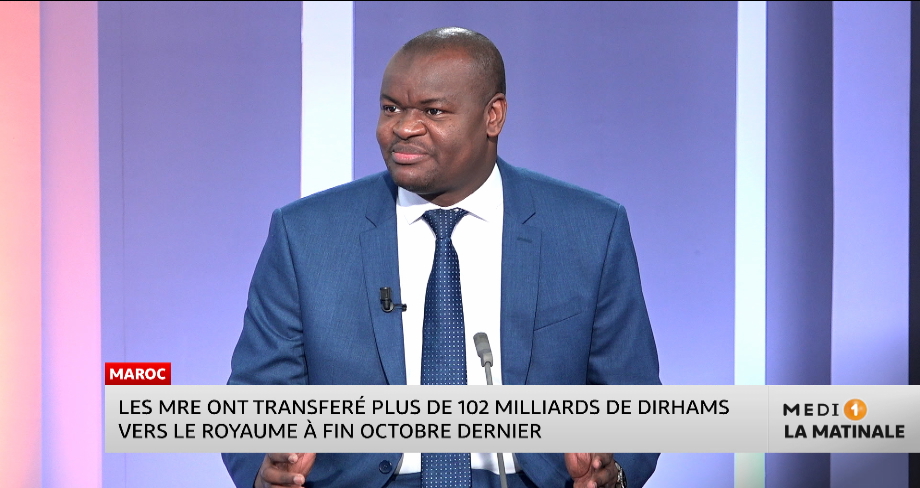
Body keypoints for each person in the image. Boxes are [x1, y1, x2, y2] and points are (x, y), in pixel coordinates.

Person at [223, 27, 660, 488]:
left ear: (493, 116)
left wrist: (611, 473)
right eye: (391, 108)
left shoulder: (589, 230)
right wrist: (266, 471)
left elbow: (633, 400)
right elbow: (255, 400)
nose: (403, 128)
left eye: (432, 111)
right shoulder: (306, 235)